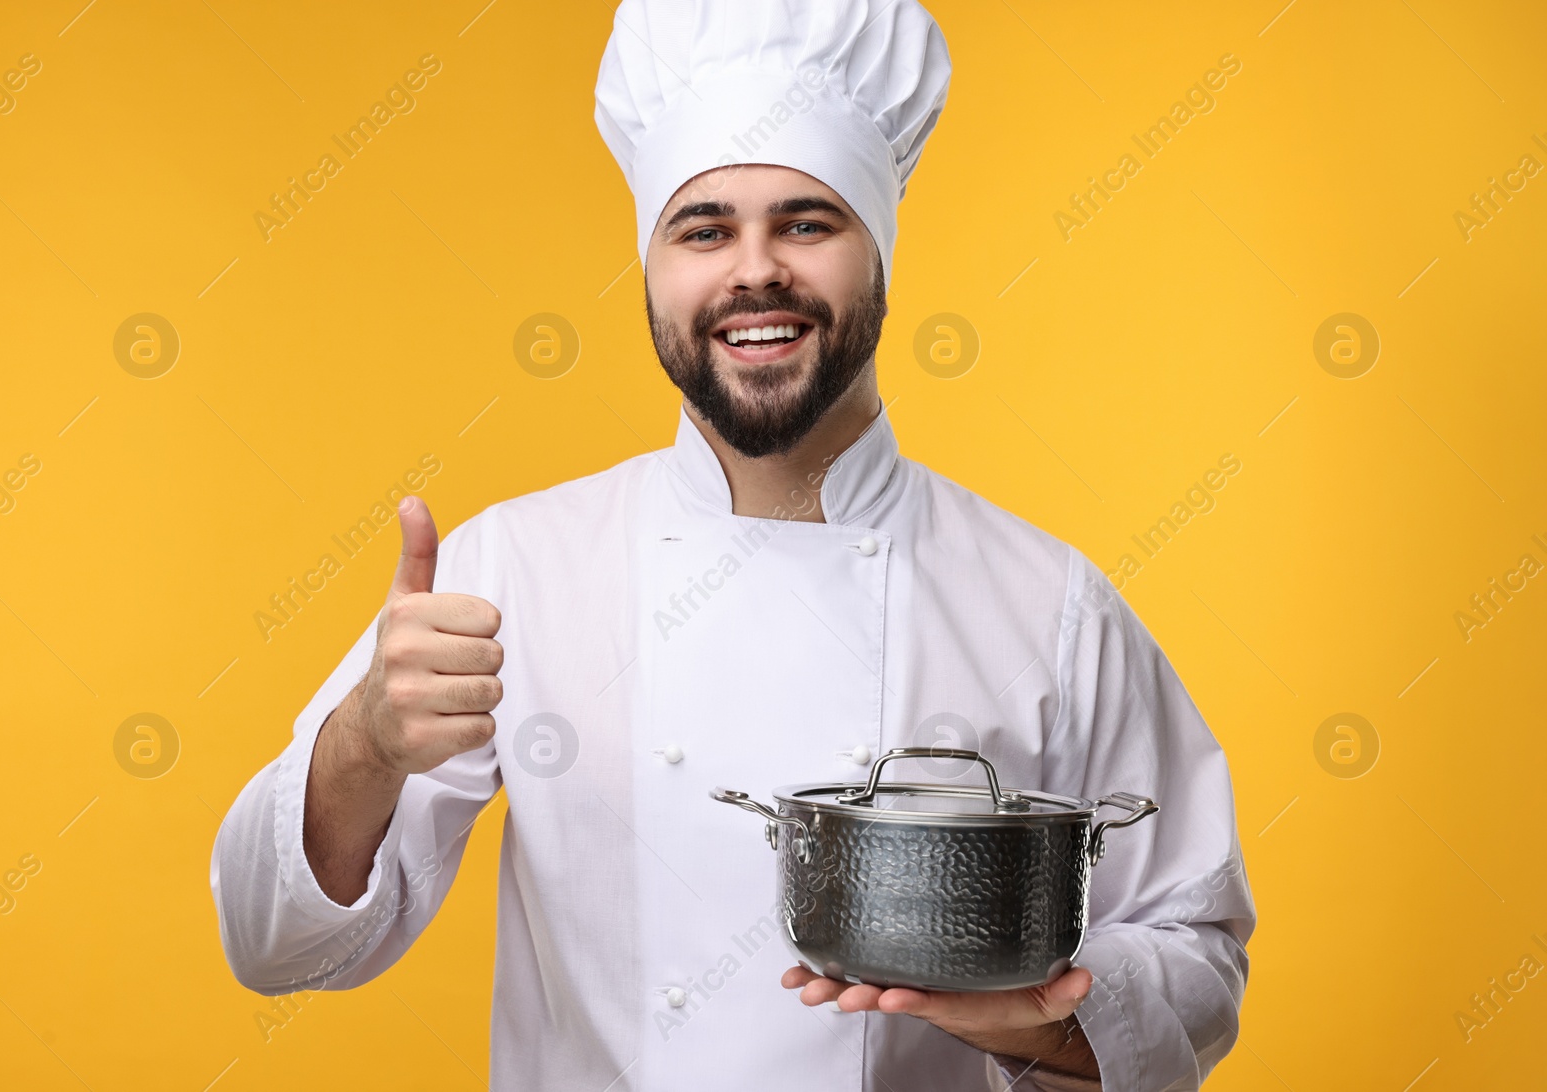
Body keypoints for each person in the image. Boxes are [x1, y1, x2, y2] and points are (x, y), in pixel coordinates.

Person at [209, 2, 1256, 1088]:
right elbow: (273, 944)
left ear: (880, 250)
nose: (754, 271)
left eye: (806, 223)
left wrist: (1042, 1023)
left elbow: (1197, 947)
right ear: (652, 267)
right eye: (703, 230)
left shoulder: (1047, 602)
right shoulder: (516, 570)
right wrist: (364, 745)